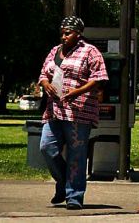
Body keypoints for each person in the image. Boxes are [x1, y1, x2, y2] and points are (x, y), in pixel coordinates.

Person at [38, 16, 108, 210]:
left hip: (79, 112)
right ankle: (62, 183)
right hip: (54, 110)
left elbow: (99, 78)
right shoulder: (55, 51)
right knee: (47, 147)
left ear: (78, 34)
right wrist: (46, 85)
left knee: (77, 155)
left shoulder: (90, 52)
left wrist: (77, 92)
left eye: (67, 33)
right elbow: (44, 73)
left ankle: (74, 196)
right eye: (62, 32)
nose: (63, 36)